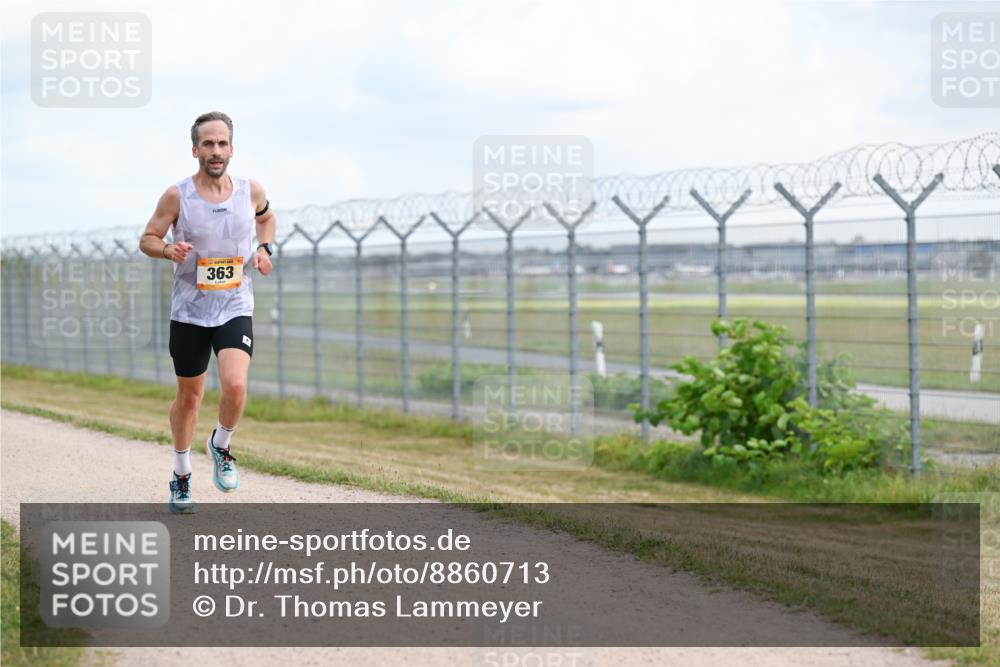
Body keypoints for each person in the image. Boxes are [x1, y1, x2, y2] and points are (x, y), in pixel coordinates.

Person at [139, 111, 275, 513]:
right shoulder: (177, 196)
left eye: (222, 143)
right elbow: (147, 237)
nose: (215, 151)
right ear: (195, 149)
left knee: (235, 385)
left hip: (235, 306)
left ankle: (221, 445)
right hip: (190, 312)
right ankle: (181, 473)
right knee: (190, 397)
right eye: (208, 144)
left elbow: (267, 219)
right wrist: (166, 249)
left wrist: (265, 249)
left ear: (231, 148)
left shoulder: (250, 190)